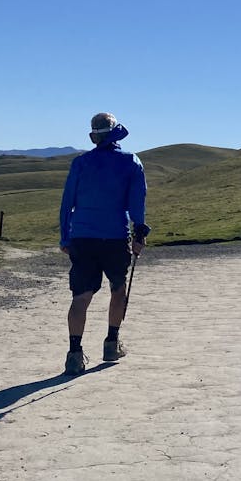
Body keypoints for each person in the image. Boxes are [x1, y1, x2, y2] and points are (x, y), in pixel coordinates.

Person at [59, 112, 150, 376]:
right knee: (118, 288)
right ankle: (112, 343)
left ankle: (74, 354)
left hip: (82, 236)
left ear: (92, 136)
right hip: (115, 236)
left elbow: (67, 204)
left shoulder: (80, 163)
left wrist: (65, 237)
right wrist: (139, 236)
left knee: (81, 296)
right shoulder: (131, 162)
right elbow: (137, 203)